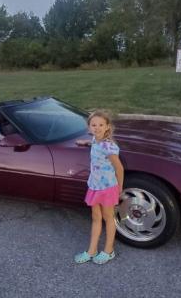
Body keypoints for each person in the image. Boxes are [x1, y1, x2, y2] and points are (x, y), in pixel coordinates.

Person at [74, 110, 124, 265]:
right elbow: (96, 144)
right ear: (89, 127)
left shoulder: (108, 147)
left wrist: (119, 188)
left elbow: (119, 168)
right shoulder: (95, 141)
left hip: (108, 188)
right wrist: (87, 142)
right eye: (93, 125)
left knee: (108, 217)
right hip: (94, 186)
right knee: (96, 217)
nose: (97, 127)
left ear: (107, 126)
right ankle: (92, 250)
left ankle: (109, 251)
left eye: (101, 125)